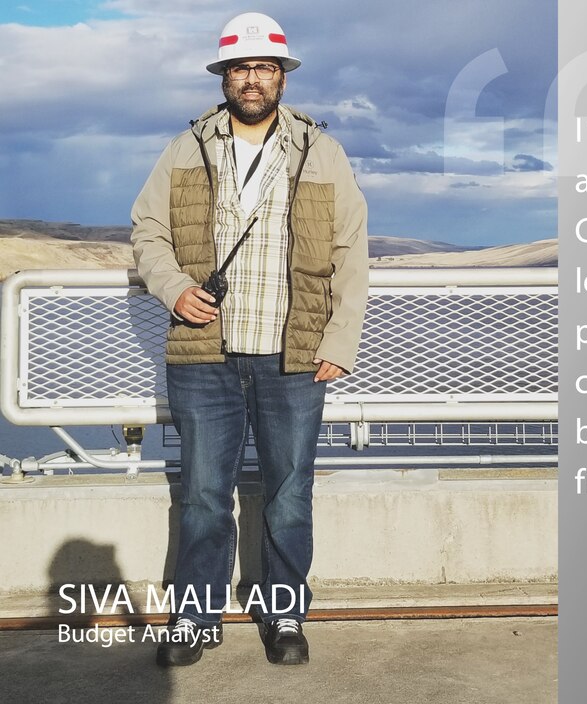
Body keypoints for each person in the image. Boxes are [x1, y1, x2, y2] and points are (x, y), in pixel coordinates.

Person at [131, 12, 368, 667]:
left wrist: (339, 340)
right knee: (204, 495)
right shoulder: (187, 147)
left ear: (282, 77)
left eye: (266, 68)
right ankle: (194, 617)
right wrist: (173, 286)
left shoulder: (322, 152)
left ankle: (284, 611)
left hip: (293, 357)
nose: (254, 79)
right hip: (204, 357)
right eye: (242, 67)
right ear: (225, 76)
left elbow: (350, 251)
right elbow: (147, 231)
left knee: (290, 495)